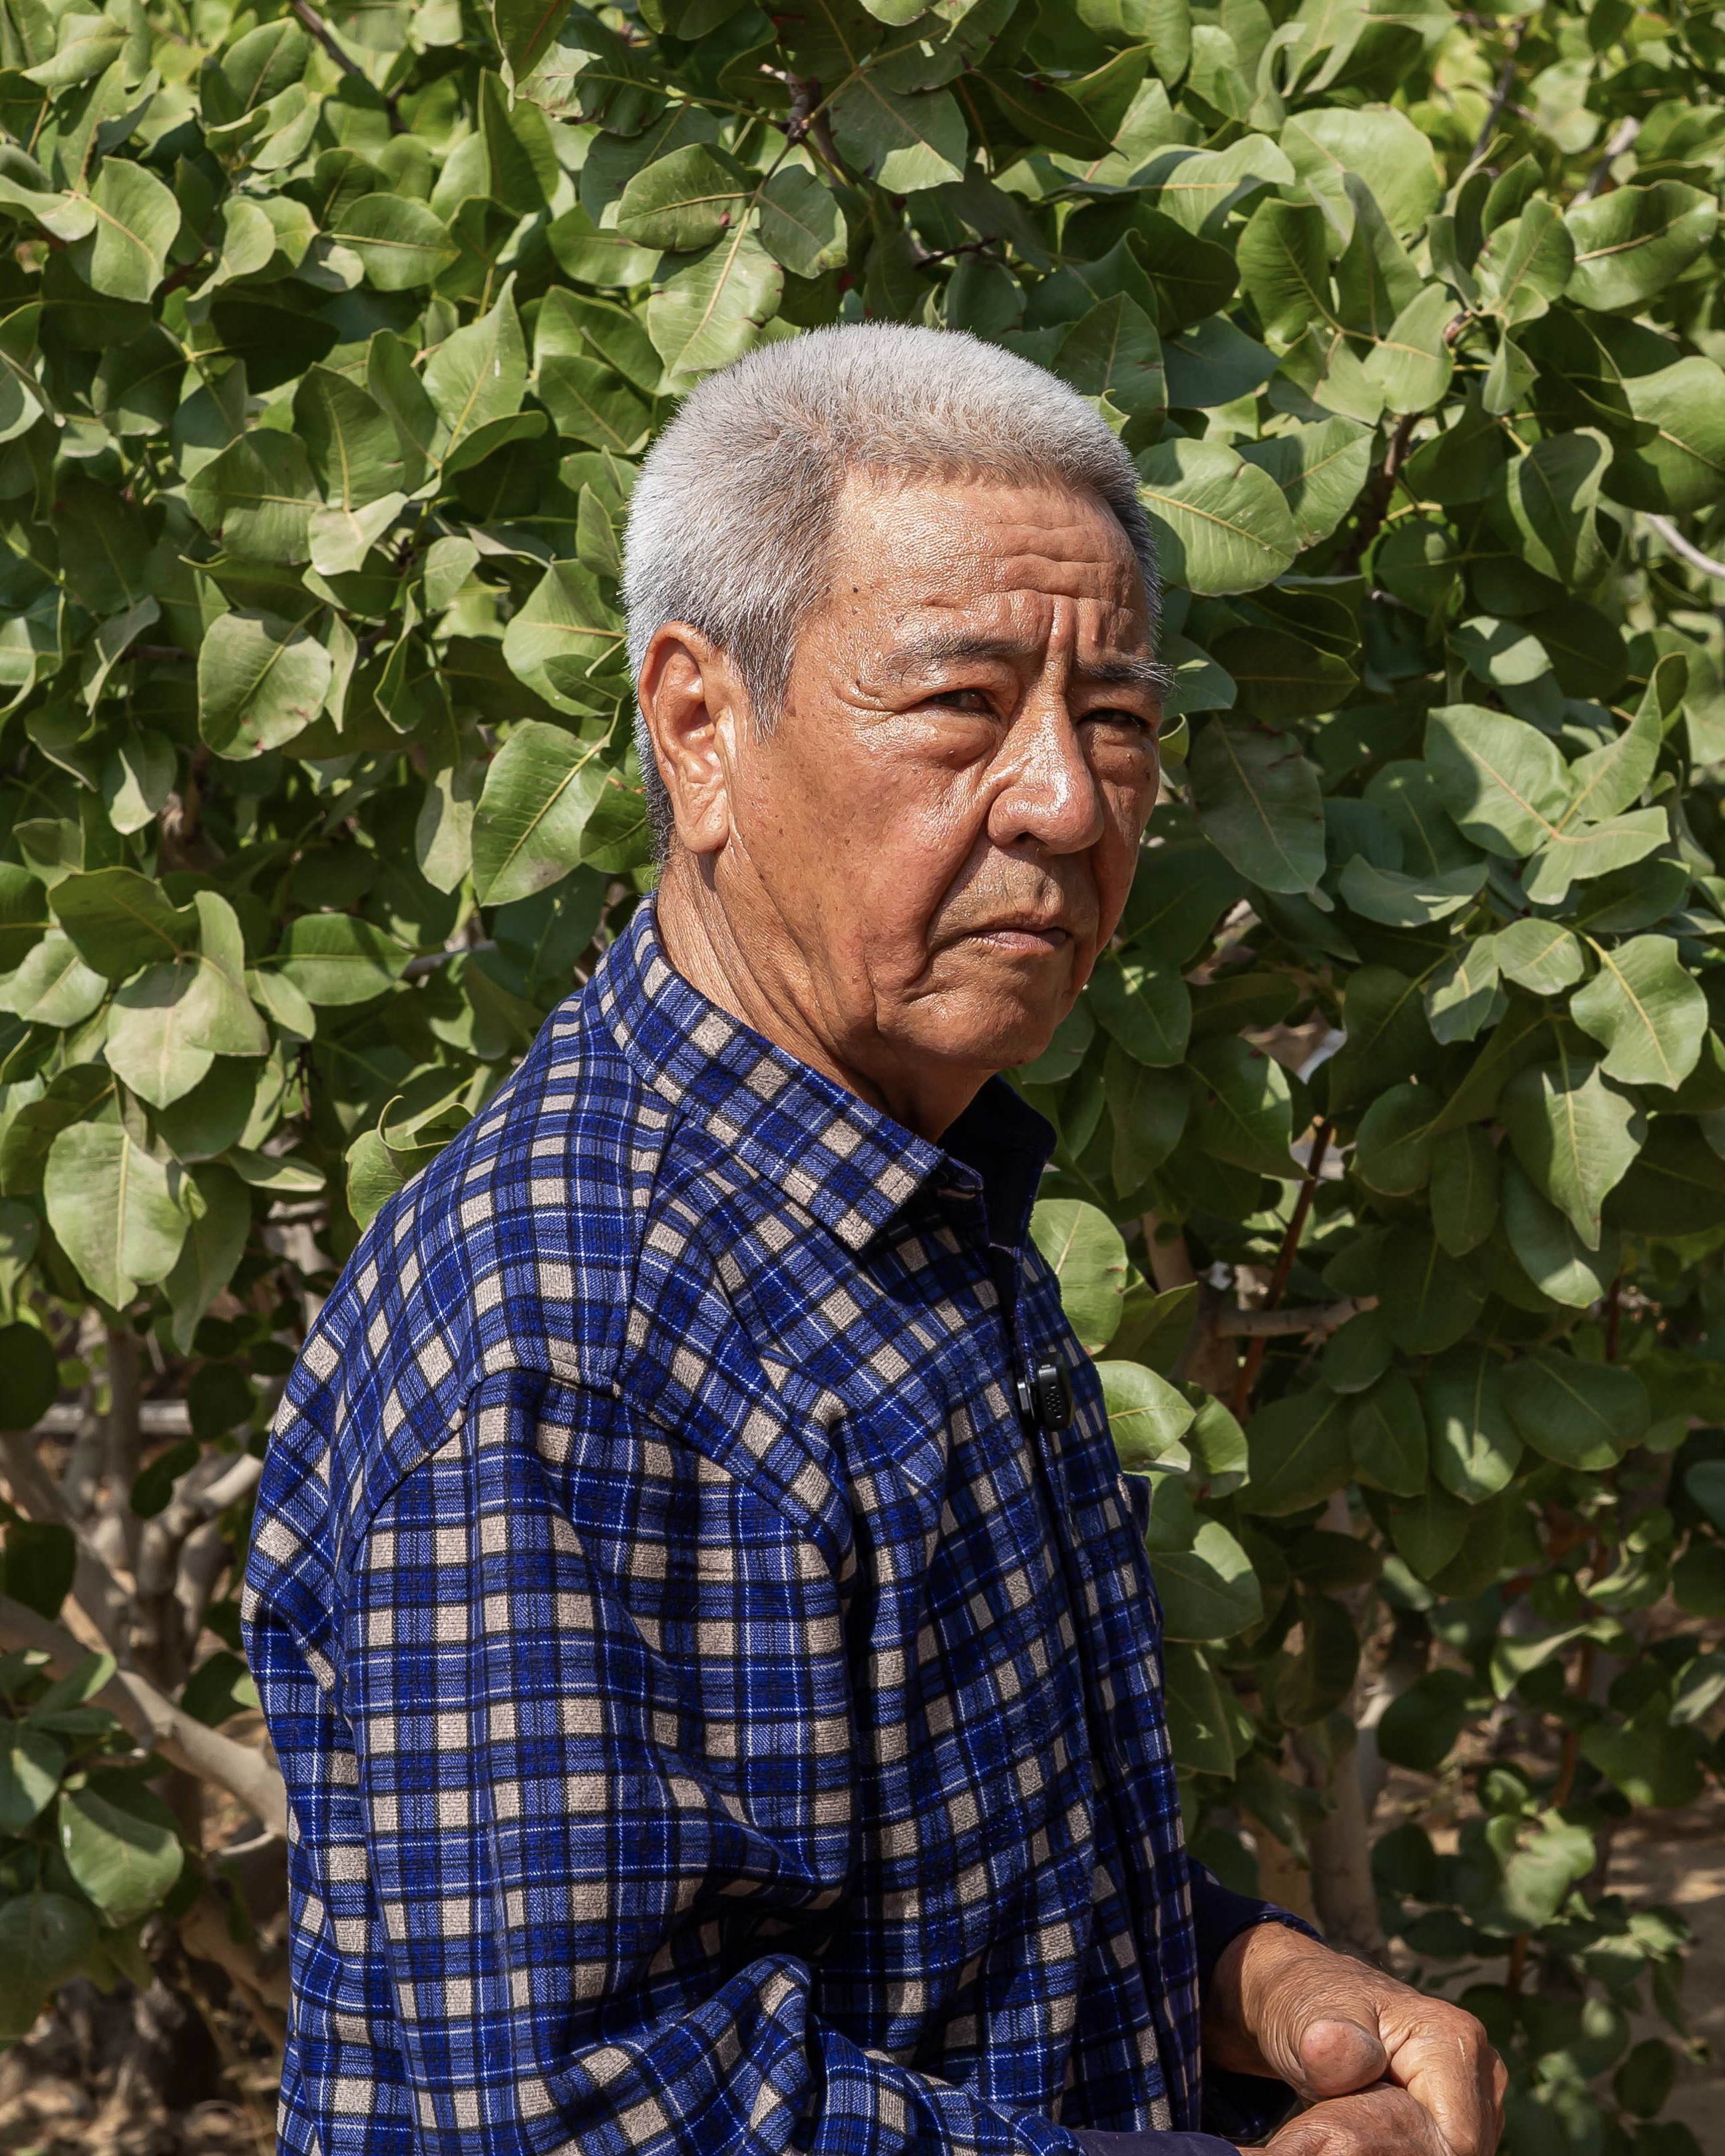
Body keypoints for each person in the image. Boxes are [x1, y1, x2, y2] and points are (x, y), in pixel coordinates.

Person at [245, 323, 1504, 2156]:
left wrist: (1255, 1981)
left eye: (1118, 719)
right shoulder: (579, 1328)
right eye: (960, 705)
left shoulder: (906, 1202)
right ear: (700, 730)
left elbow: (957, 1894)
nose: (1067, 800)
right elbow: (593, 2114)